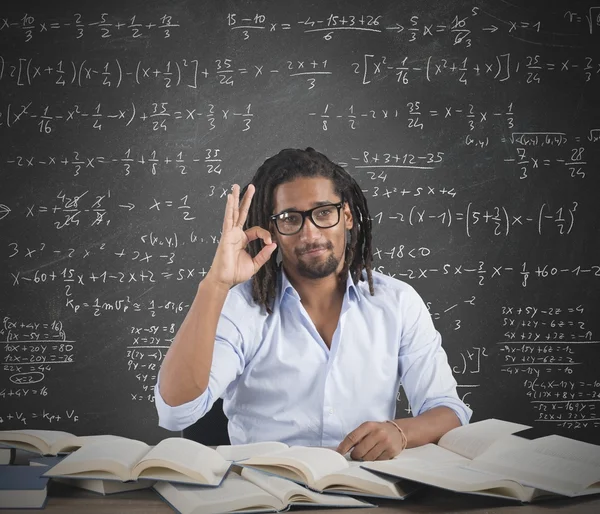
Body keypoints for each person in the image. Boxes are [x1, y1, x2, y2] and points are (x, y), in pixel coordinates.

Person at [155, 147, 472, 461]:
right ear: (273, 231)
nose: (310, 234)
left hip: (366, 492)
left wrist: (400, 432)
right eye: (290, 218)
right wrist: (216, 283)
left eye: (323, 213)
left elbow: (448, 410)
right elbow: (176, 412)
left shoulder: (398, 303)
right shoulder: (242, 308)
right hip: (266, 494)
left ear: (346, 216)